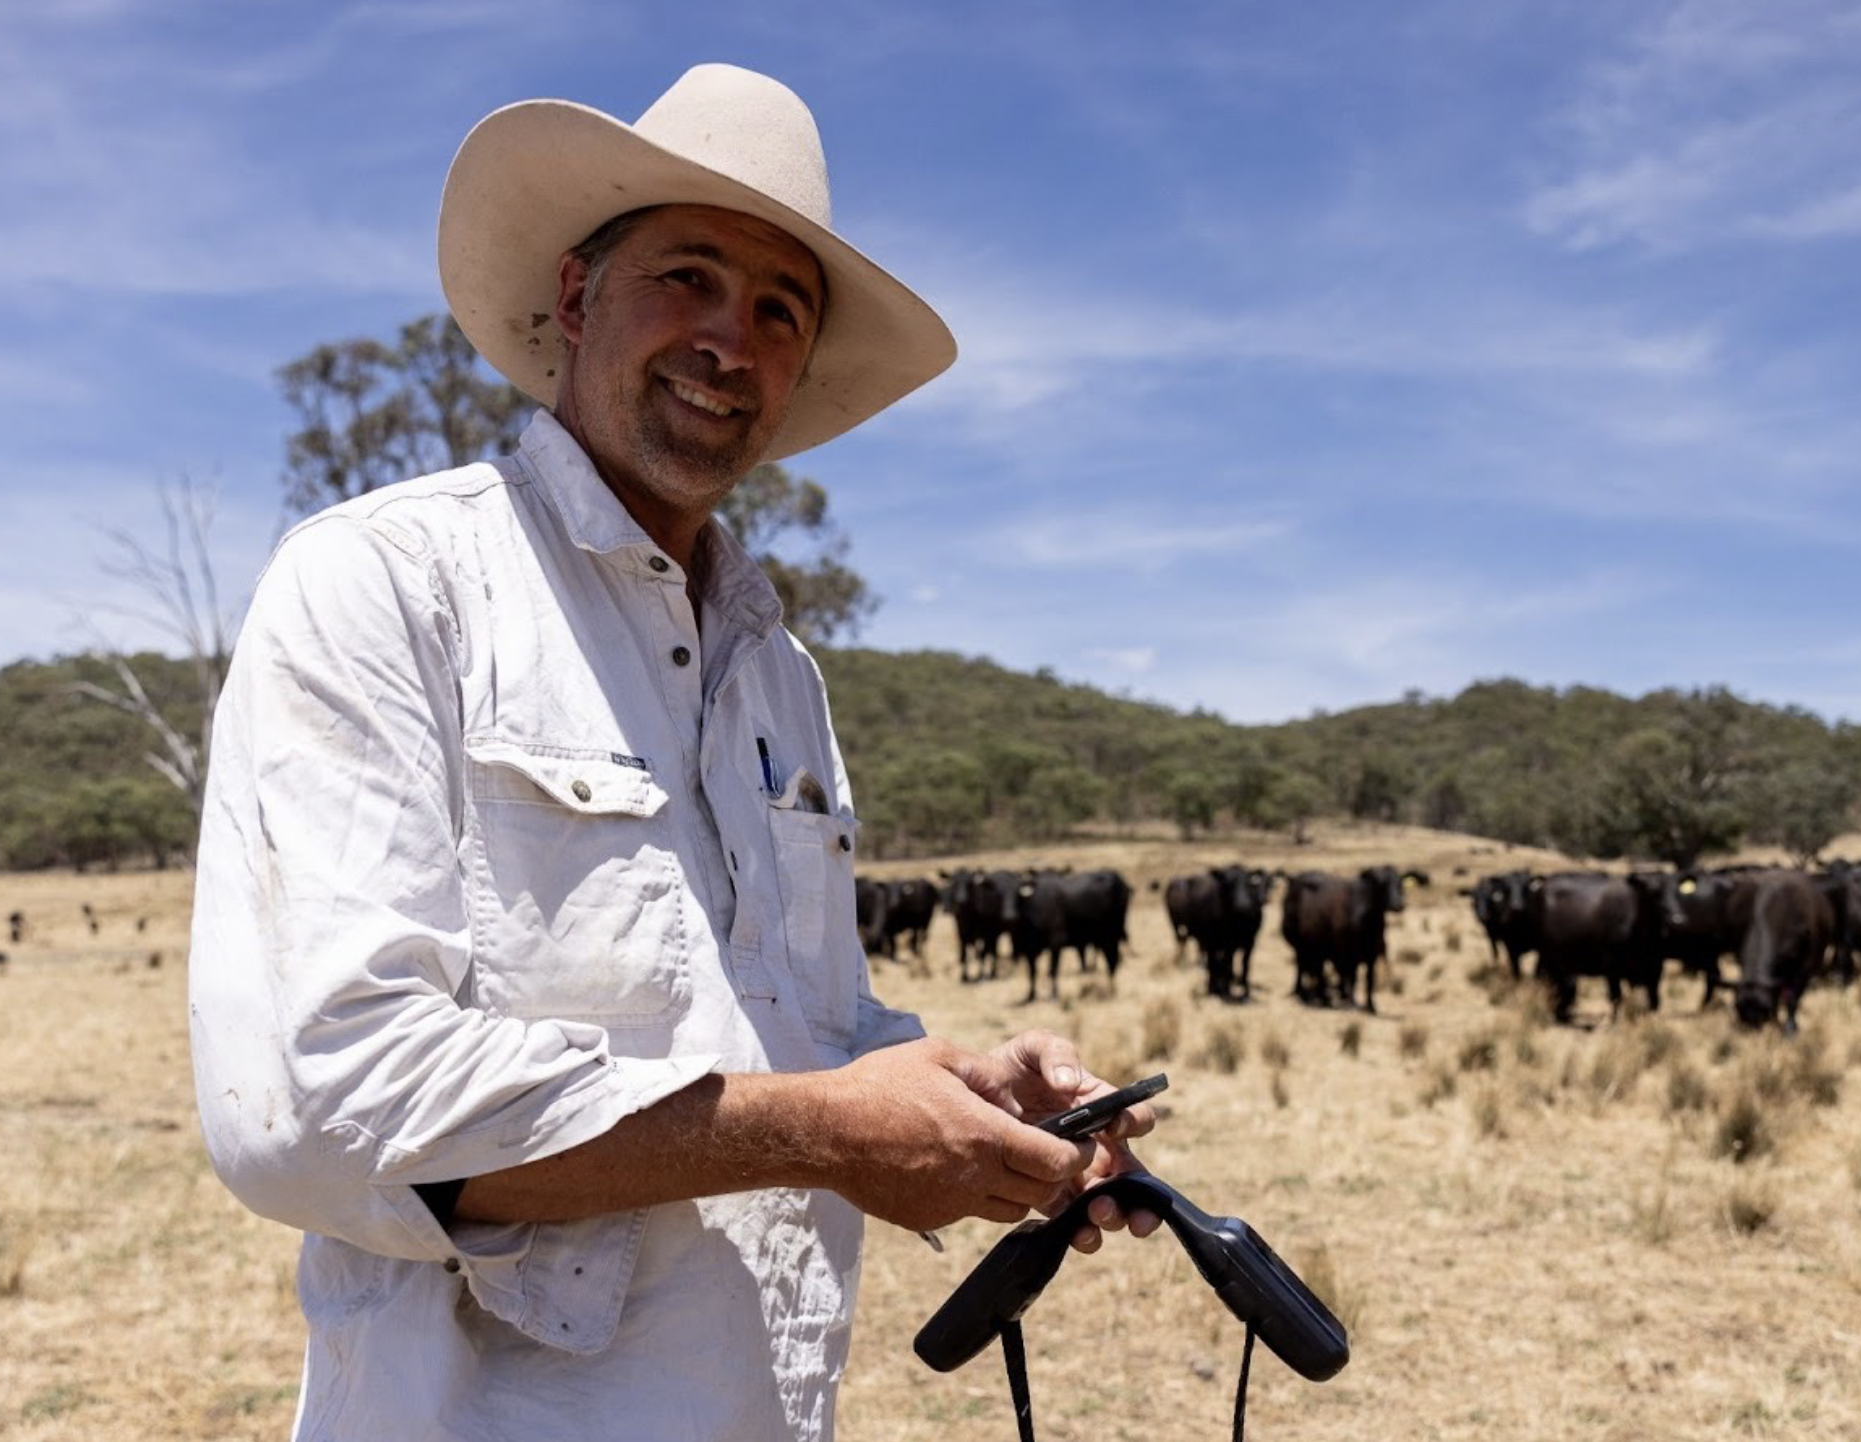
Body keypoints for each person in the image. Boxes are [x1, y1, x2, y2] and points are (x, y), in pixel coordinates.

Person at [188, 63, 1156, 1440]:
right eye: (688, 278)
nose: (730, 341)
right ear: (576, 298)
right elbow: (318, 1107)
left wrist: (969, 1090)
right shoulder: (388, 586)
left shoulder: (781, 676)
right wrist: (828, 1130)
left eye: (779, 310)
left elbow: (795, 1024)